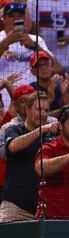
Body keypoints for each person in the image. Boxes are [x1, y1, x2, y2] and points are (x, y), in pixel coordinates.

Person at [0, 86, 58, 222]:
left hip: (45, 210)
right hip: (15, 208)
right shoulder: (14, 129)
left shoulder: (52, 135)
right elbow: (13, 147)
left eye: (46, 110)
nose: (43, 114)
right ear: (27, 109)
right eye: (39, 109)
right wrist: (41, 130)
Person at [0, 2, 55, 107]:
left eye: (20, 15)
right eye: (11, 15)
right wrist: (7, 41)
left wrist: (35, 46)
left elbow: (55, 67)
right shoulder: (0, 38)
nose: (15, 19)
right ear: (4, 18)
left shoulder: (35, 39)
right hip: (4, 96)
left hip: (32, 97)